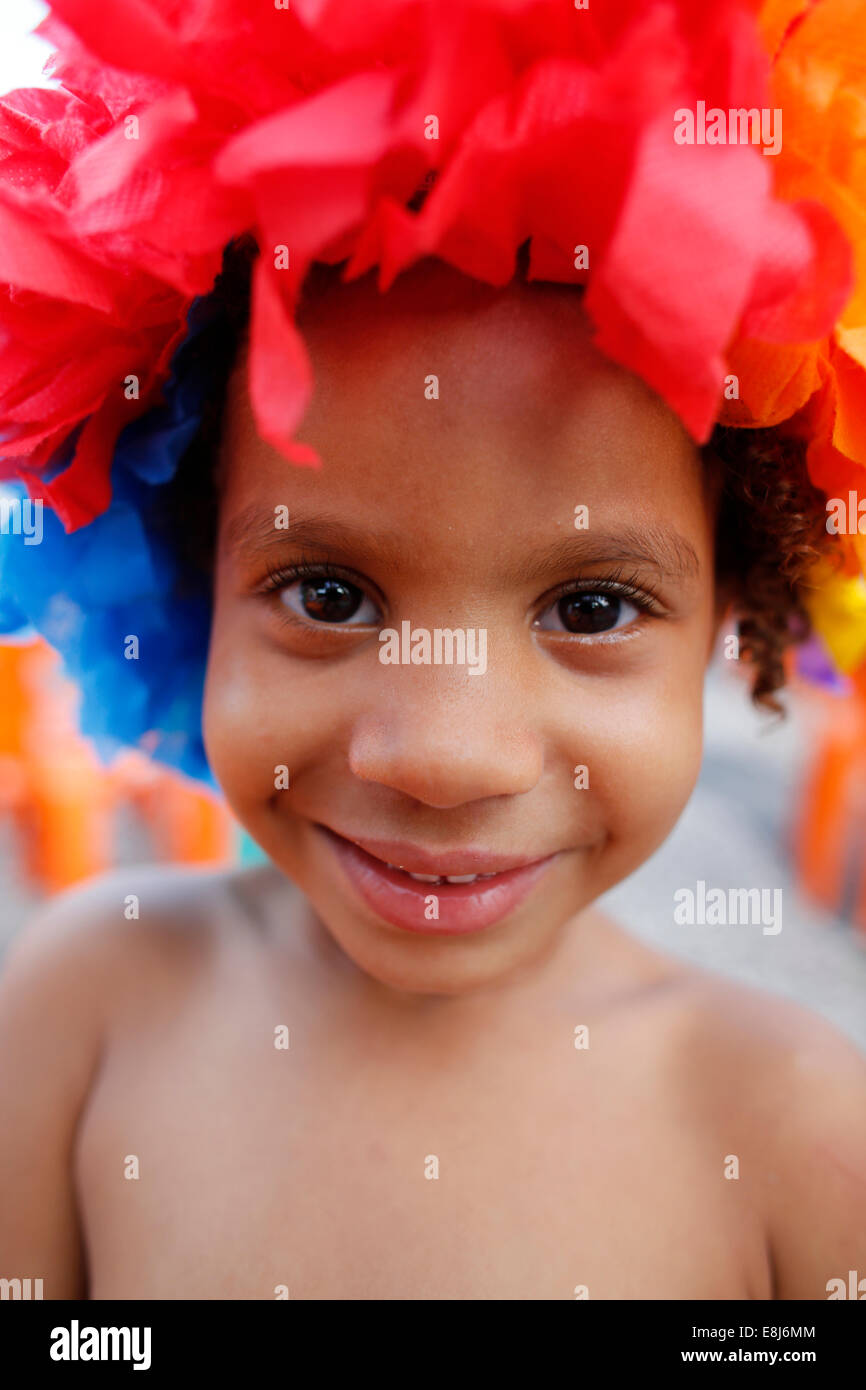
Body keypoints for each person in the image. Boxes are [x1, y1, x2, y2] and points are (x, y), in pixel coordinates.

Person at [0, 0, 864, 1300]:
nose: (444, 757)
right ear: (191, 575)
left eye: (587, 608)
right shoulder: (80, 1011)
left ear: (738, 613)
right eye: (329, 592)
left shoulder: (797, 1133)